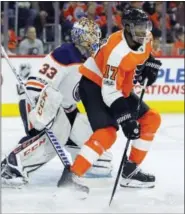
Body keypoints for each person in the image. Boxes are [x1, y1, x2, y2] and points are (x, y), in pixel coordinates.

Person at [1, 18, 112, 193]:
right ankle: (12, 167)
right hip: (39, 102)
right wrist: (43, 111)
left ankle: (86, 165)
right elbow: (38, 85)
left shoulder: (87, 61)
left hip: (64, 108)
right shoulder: (67, 53)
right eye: (93, 37)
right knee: (56, 135)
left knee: (93, 145)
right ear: (82, 37)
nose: (96, 42)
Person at [57, 9, 162, 193]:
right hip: (94, 85)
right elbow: (109, 91)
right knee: (107, 133)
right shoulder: (116, 51)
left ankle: (130, 172)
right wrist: (126, 119)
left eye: (145, 27)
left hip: (118, 86)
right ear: (127, 28)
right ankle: (72, 176)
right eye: (138, 28)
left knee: (151, 119)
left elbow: (144, 55)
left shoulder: (146, 37)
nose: (143, 32)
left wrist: (149, 65)